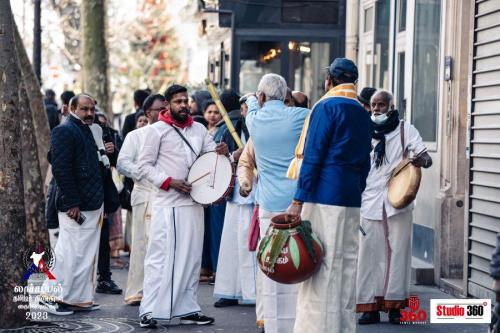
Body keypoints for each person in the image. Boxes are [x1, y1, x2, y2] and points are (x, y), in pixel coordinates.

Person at [286, 58, 372, 333]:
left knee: (320, 266)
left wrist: (298, 200)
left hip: (323, 194)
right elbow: (365, 161)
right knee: (346, 266)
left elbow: (313, 157)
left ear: (329, 81)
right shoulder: (362, 111)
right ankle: (343, 327)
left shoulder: (325, 107)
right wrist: (356, 189)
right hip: (350, 195)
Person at [137, 84, 229, 328]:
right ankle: (149, 310)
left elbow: (212, 160)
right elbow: (144, 166)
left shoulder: (199, 129)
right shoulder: (156, 131)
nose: (182, 105)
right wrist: (169, 182)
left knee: (191, 260)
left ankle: (188, 308)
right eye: (177, 101)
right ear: (167, 105)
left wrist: (223, 151)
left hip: (194, 204)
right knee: (160, 258)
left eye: (185, 100)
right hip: (168, 205)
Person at [356, 90, 432, 325]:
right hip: (369, 200)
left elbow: (425, 157)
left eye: (381, 104)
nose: (377, 109)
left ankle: (395, 307)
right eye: (374, 105)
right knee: (369, 254)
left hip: (397, 202)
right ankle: (370, 307)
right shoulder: (362, 130)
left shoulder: (404, 129)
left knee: (398, 253)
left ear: (390, 106)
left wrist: (421, 161)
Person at [245, 73, 309, 333]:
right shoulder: (301, 116)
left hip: (268, 205)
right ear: (286, 96)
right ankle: (299, 323)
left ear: (261, 97)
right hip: (298, 203)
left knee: (271, 265)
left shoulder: (254, 119)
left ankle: (271, 325)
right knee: (299, 262)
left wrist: (252, 100)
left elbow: (251, 105)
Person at [40, 94, 104, 315]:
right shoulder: (64, 130)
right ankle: (49, 297)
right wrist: (72, 202)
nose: (89, 114)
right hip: (75, 205)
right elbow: (61, 169)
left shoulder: (89, 129)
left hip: (91, 201)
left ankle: (76, 298)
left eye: (91, 110)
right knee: (68, 252)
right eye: (84, 109)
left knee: (83, 254)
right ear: (72, 109)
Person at [117, 93, 165, 305]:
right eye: (159, 110)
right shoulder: (136, 136)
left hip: (167, 195)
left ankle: (163, 292)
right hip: (144, 194)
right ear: (148, 113)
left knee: (164, 244)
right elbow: (122, 163)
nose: (164, 113)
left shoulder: (172, 134)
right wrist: (144, 174)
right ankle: (138, 291)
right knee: (142, 243)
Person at [213, 90, 257, 309]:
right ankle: (229, 291)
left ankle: (254, 292)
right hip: (235, 194)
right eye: (244, 108)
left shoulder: (262, 129)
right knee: (232, 243)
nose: (245, 112)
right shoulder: (230, 128)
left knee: (251, 244)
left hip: (256, 194)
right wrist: (231, 155)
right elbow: (217, 160)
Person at [91, 111, 123, 295]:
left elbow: (115, 162)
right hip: (83, 198)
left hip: (103, 194)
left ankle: (104, 277)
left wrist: (111, 151)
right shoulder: (73, 132)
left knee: (103, 238)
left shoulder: (105, 134)